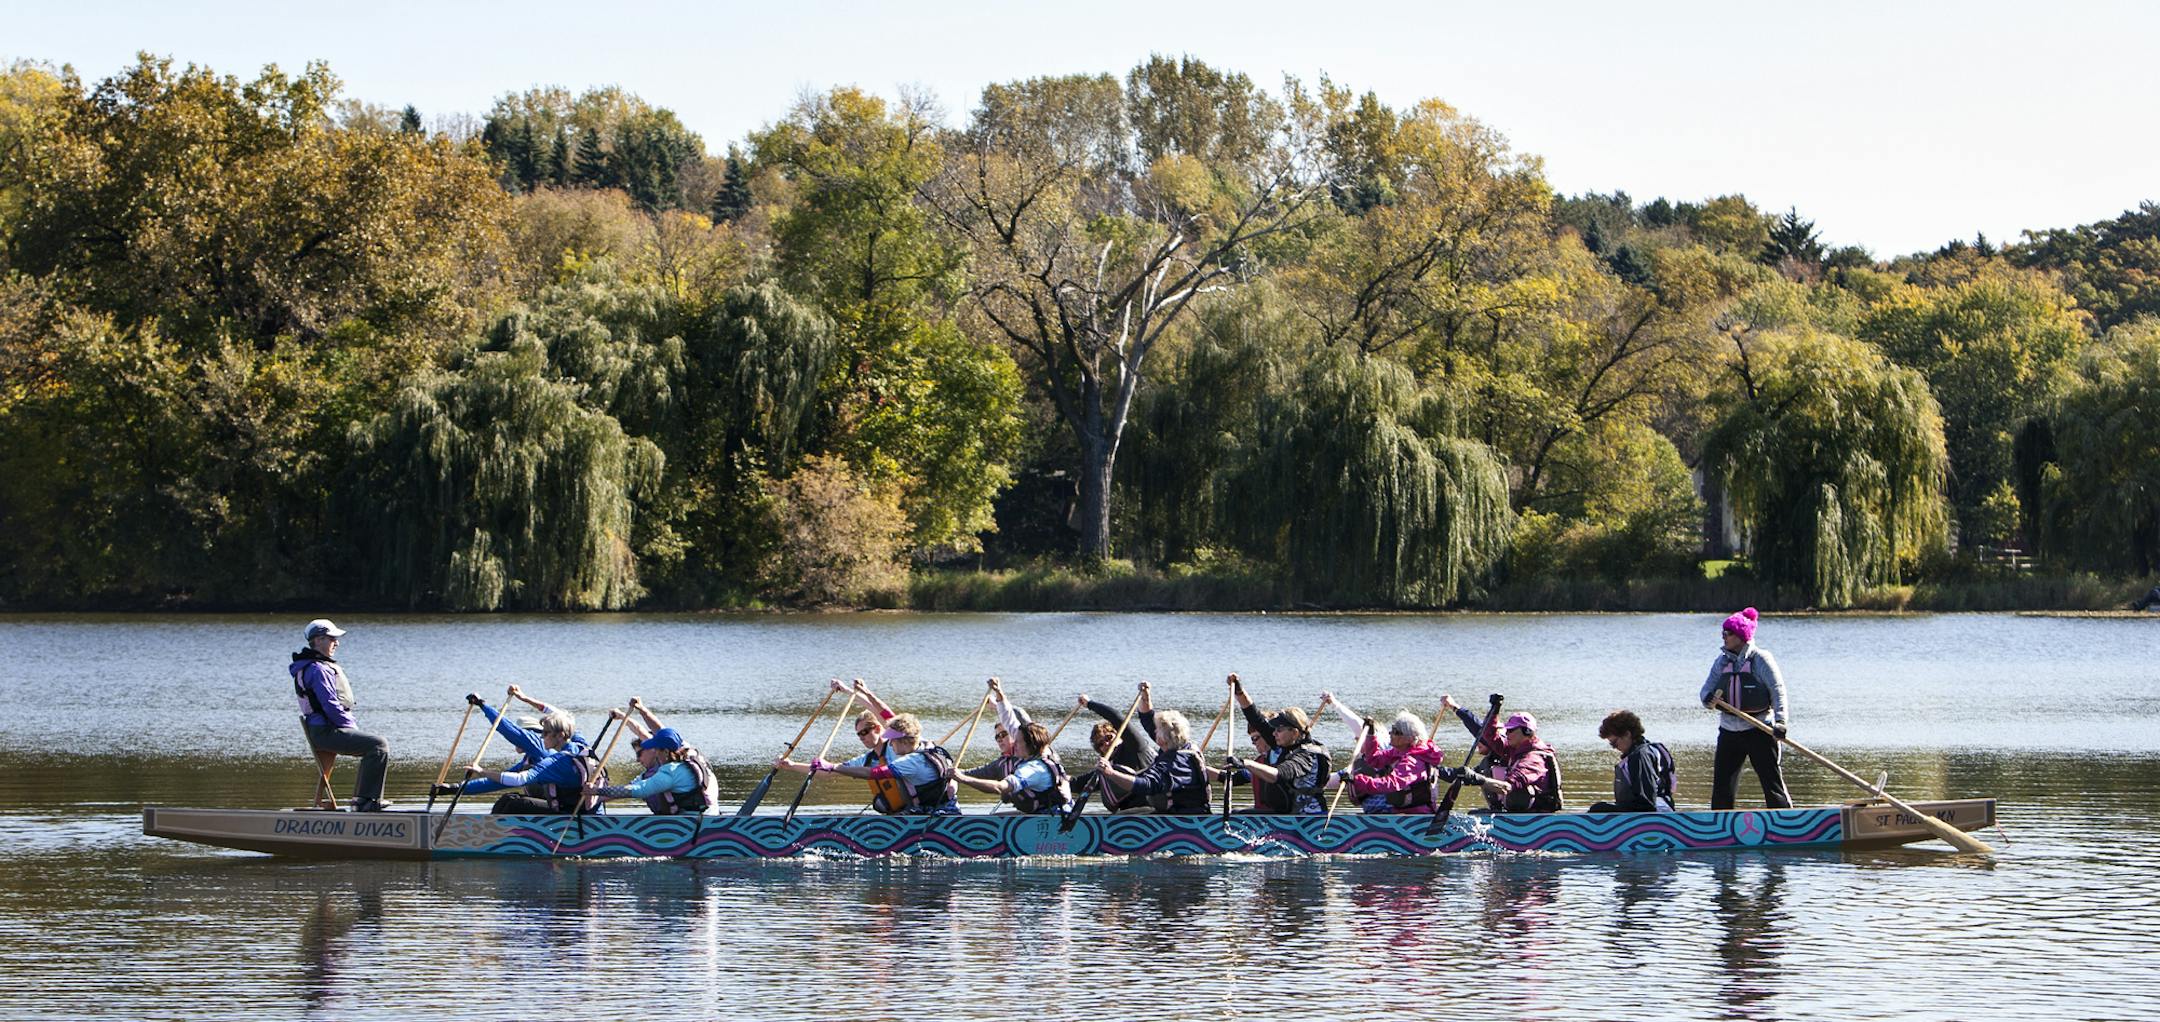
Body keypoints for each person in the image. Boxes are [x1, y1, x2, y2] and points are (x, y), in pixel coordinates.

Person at [290, 618, 391, 812]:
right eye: (331, 638)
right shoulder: (318, 669)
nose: (337, 642)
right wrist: (351, 729)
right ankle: (365, 802)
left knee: (374, 744)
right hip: (326, 731)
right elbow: (330, 705)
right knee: (378, 745)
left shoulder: (312, 666)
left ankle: (357, 801)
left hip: (322, 729)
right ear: (317, 640)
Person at [1699, 607, 1793, 810]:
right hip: (1729, 732)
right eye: (1723, 632)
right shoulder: (1721, 662)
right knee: (1722, 787)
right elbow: (1705, 692)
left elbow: (1778, 691)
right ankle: (1720, 828)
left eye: (1728, 633)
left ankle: (1787, 822)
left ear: (1741, 636)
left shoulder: (1761, 659)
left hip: (1760, 729)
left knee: (1772, 784)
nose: (1723, 637)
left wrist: (1781, 722)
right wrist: (1708, 699)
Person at [780, 713, 959, 816]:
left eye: (892, 741)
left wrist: (833, 766)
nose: (891, 744)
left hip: (938, 815)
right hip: (932, 810)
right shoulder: (930, 747)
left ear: (903, 740)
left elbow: (876, 773)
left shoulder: (912, 760)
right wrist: (791, 765)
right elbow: (836, 771)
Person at [432, 703, 594, 814]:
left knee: (511, 802)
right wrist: (454, 788)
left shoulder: (552, 759)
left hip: (570, 814)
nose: (542, 737)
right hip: (579, 809)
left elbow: (509, 732)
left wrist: (483, 706)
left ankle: (492, 838)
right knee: (508, 800)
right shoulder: (579, 744)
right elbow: (497, 782)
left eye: (544, 733)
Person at [1319, 694, 1449, 814]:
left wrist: (1358, 781)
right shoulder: (1398, 752)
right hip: (1400, 813)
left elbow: (1391, 784)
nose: (1390, 734)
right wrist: (1370, 735)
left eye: (1396, 732)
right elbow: (1374, 760)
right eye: (1392, 729)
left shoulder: (1412, 761)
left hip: (1415, 816)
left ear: (1409, 738)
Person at [1227, 674, 1329, 814]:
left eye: (1279, 730)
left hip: (1307, 820)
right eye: (1274, 730)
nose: (1274, 734)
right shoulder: (1285, 743)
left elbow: (1278, 774)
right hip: (1287, 815)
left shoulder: (1307, 757)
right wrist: (1239, 692)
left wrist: (1246, 763)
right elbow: (1255, 717)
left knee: (1239, 816)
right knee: (1237, 813)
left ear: (1294, 732)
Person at [1095, 709, 1212, 813]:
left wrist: (1111, 773)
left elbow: (1146, 785)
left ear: (1164, 737)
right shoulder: (1188, 749)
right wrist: (1224, 777)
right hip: (1195, 812)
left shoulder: (1172, 763)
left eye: (1158, 729)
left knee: (1120, 817)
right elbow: (1203, 770)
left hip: (1181, 819)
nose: (1154, 731)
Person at [591, 719, 713, 816]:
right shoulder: (689, 754)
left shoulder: (671, 772)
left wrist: (597, 791)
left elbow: (638, 790)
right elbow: (659, 728)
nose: (655, 752)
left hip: (695, 826)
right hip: (707, 816)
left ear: (665, 752)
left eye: (657, 749)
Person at [1070, 683, 1158, 811]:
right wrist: (1055, 776)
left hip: (1151, 809)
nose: (1105, 744)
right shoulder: (1106, 768)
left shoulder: (1136, 746)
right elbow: (1077, 784)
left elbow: (1116, 717)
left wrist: (1089, 704)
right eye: (1100, 744)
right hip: (1127, 815)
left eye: (1108, 737)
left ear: (1118, 734)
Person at [1456, 711, 1563, 813]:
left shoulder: (1533, 760)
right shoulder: (1516, 749)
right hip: (1521, 814)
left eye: (1510, 730)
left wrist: (1477, 779)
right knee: (1487, 766)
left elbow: (1506, 787)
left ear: (1527, 731)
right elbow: (1490, 737)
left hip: (1534, 817)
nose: (1506, 733)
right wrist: (1495, 711)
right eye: (1506, 730)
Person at [955, 720, 1071, 814]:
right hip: (1052, 813)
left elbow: (999, 787)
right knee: (996, 817)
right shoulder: (1042, 760)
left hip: (1051, 820)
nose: (1015, 744)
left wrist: (963, 779)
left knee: (995, 822)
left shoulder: (1032, 769)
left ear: (1030, 744)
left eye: (1018, 741)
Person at [1589, 710, 1677, 813]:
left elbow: (1646, 803)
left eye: (1614, 743)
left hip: (1654, 815)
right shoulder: (1646, 751)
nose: (1614, 748)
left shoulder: (1640, 757)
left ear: (1627, 734)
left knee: (1598, 809)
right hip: (1658, 810)